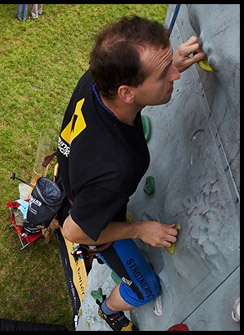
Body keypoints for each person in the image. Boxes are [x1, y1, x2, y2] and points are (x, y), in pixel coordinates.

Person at [55, 16, 206, 331]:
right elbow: (72, 232)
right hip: (91, 218)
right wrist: (139, 230)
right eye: (165, 73)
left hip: (79, 178)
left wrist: (169, 60)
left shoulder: (97, 80)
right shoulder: (117, 167)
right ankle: (109, 309)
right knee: (145, 289)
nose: (175, 74)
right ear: (126, 92)